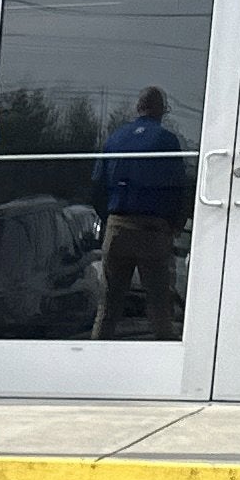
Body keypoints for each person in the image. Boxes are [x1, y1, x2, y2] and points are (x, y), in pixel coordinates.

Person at [90, 85, 188, 342]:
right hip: (152, 230)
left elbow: (98, 187)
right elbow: (179, 188)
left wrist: (110, 219)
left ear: (138, 108)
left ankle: (92, 361)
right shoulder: (166, 141)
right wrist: (175, 224)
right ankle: (165, 365)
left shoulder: (115, 139)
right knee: (159, 306)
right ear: (161, 110)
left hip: (118, 227)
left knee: (108, 306)